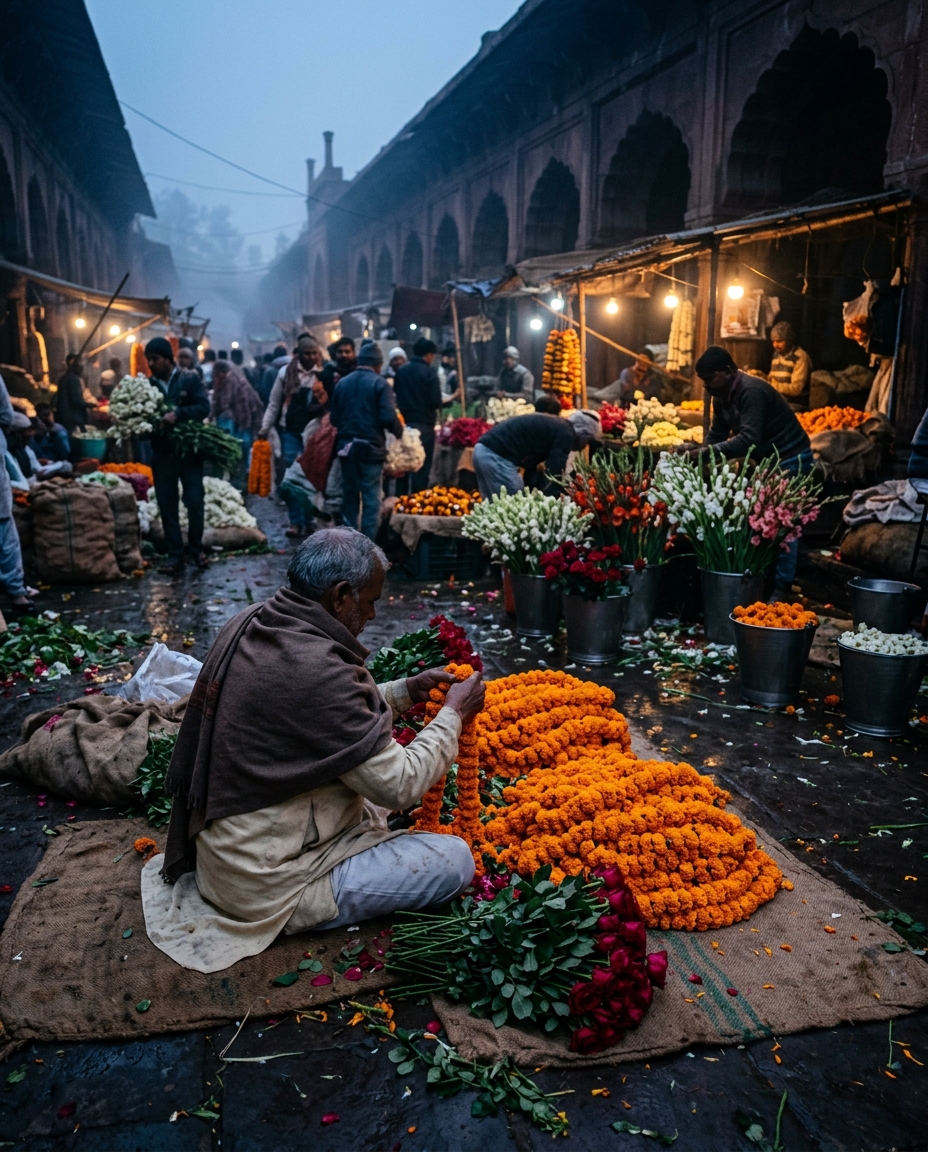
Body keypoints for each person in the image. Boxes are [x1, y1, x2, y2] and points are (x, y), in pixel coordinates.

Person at [142, 528, 482, 974]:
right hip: (265, 884)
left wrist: (404, 692)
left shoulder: (254, 620)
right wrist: (453, 715)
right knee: (454, 862)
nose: (375, 615)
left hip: (226, 860)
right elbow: (400, 786)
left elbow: (315, 716)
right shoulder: (318, 671)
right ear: (341, 595)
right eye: (371, 600)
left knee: (370, 810)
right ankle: (303, 908)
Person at [693, 345, 812, 598]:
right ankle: (763, 585)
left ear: (728, 371)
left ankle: (781, 590)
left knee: (783, 525)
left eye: (710, 379)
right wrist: (701, 454)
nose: (706, 386)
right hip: (768, 462)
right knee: (762, 521)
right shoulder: (721, 397)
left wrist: (705, 454)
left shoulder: (751, 391)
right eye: (703, 381)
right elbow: (717, 434)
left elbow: (749, 439)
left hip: (792, 458)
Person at [144, 336, 211, 577]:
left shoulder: (189, 379)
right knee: (167, 503)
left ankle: (196, 548)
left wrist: (178, 414)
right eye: (148, 359)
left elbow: (204, 407)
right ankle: (175, 555)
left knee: (194, 500)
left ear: (167, 358)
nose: (151, 363)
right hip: (162, 455)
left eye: (155, 359)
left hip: (189, 453)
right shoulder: (147, 386)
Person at [330, 340, 403, 540]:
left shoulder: (342, 383)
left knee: (350, 498)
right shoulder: (380, 384)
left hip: (346, 449)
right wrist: (400, 432)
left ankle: (350, 546)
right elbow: (388, 417)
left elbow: (334, 419)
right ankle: (367, 546)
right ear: (378, 364)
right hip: (371, 449)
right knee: (372, 500)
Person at [259, 333, 325, 536]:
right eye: (307, 353)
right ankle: (295, 522)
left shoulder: (323, 373)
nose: (312, 357)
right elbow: (274, 403)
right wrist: (264, 428)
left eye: (315, 353)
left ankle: (309, 519)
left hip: (315, 433)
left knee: (311, 479)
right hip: (290, 432)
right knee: (291, 477)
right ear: (298, 354)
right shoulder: (284, 374)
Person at [473, 408, 601, 498]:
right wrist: (554, 496)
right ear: (584, 434)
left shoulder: (559, 427)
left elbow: (531, 463)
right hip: (496, 456)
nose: (585, 446)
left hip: (482, 451)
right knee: (515, 505)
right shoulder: (566, 434)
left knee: (496, 508)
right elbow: (555, 469)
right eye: (588, 441)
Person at [392, 337, 453, 492]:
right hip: (424, 427)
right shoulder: (429, 373)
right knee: (421, 470)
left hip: (403, 427)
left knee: (402, 468)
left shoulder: (401, 372)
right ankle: (416, 504)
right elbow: (435, 401)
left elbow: (396, 396)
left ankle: (400, 504)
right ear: (429, 355)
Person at [210, 360, 265, 485]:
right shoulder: (239, 379)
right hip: (245, 422)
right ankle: (244, 478)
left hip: (239, 423)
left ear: (220, 373)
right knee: (244, 452)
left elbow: (224, 404)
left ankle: (239, 480)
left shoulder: (229, 382)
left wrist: (212, 415)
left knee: (238, 451)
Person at [589, 350, 661, 406]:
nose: (640, 364)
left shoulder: (653, 377)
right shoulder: (627, 372)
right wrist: (634, 394)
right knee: (600, 396)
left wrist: (643, 395)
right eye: (639, 361)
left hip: (637, 403)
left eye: (644, 362)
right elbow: (626, 395)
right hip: (618, 390)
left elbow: (653, 393)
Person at [768, 321, 812, 411]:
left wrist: (772, 385)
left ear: (789, 340)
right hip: (779, 402)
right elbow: (771, 379)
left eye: (780, 341)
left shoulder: (800, 357)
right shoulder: (776, 355)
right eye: (773, 341)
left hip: (795, 405)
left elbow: (796, 389)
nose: (775, 345)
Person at [55, 354, 91, 434]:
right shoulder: (73, 379)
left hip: (65, 418)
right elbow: (76, 401)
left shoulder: (65, 377)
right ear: (72, 363)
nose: (82, 365)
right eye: (80, 362)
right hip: (72, 419)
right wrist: (90, 404)